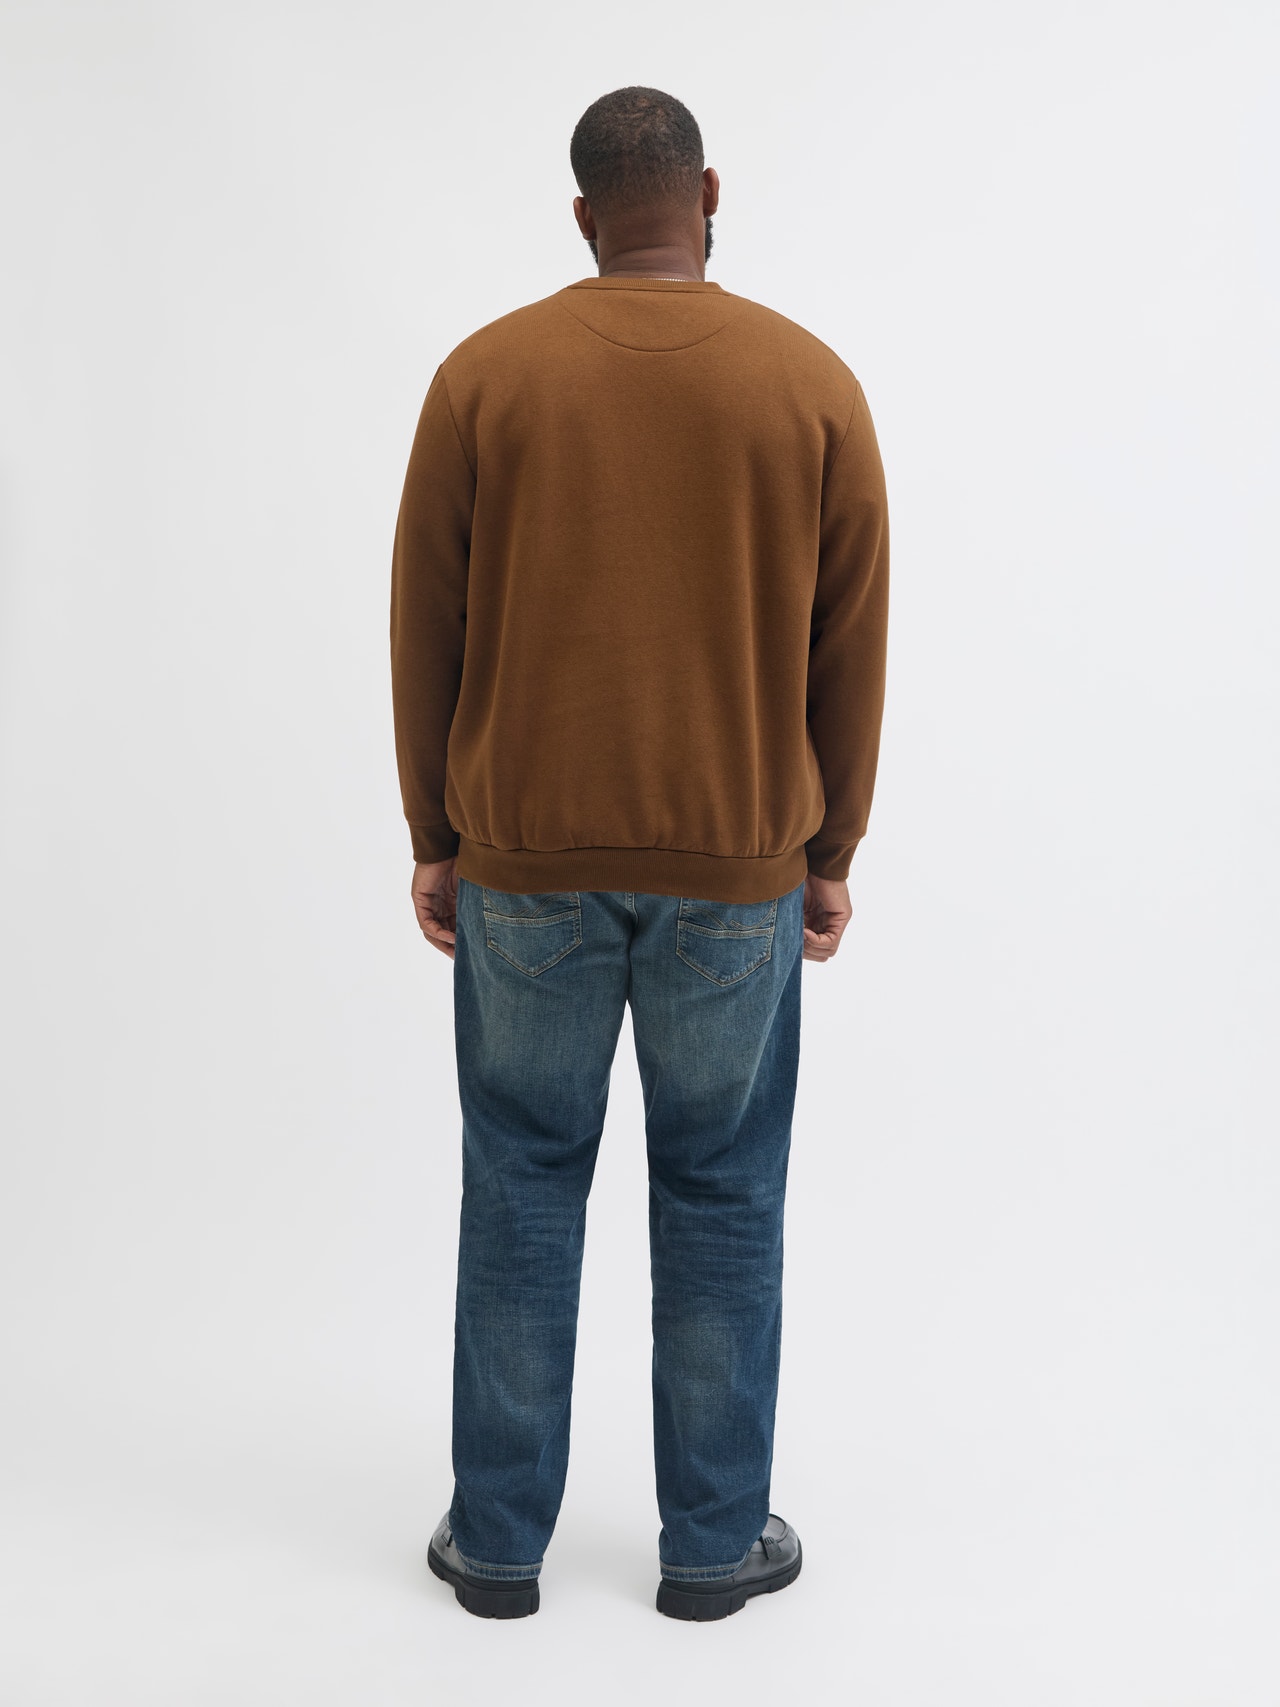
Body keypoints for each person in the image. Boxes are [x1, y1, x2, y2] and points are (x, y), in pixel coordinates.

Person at [389, 84, 890, 1622]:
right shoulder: (809, 385)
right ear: (709, 196)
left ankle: (496, 1546)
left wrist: (436, 836)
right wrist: (829, 850)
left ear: (584, 216)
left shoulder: (486, 377)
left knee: (522, 1179)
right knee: (724, 1189)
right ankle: (712, 1548)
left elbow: (424, 624)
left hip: (524, 860)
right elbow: (851, 644)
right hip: (736, 868)